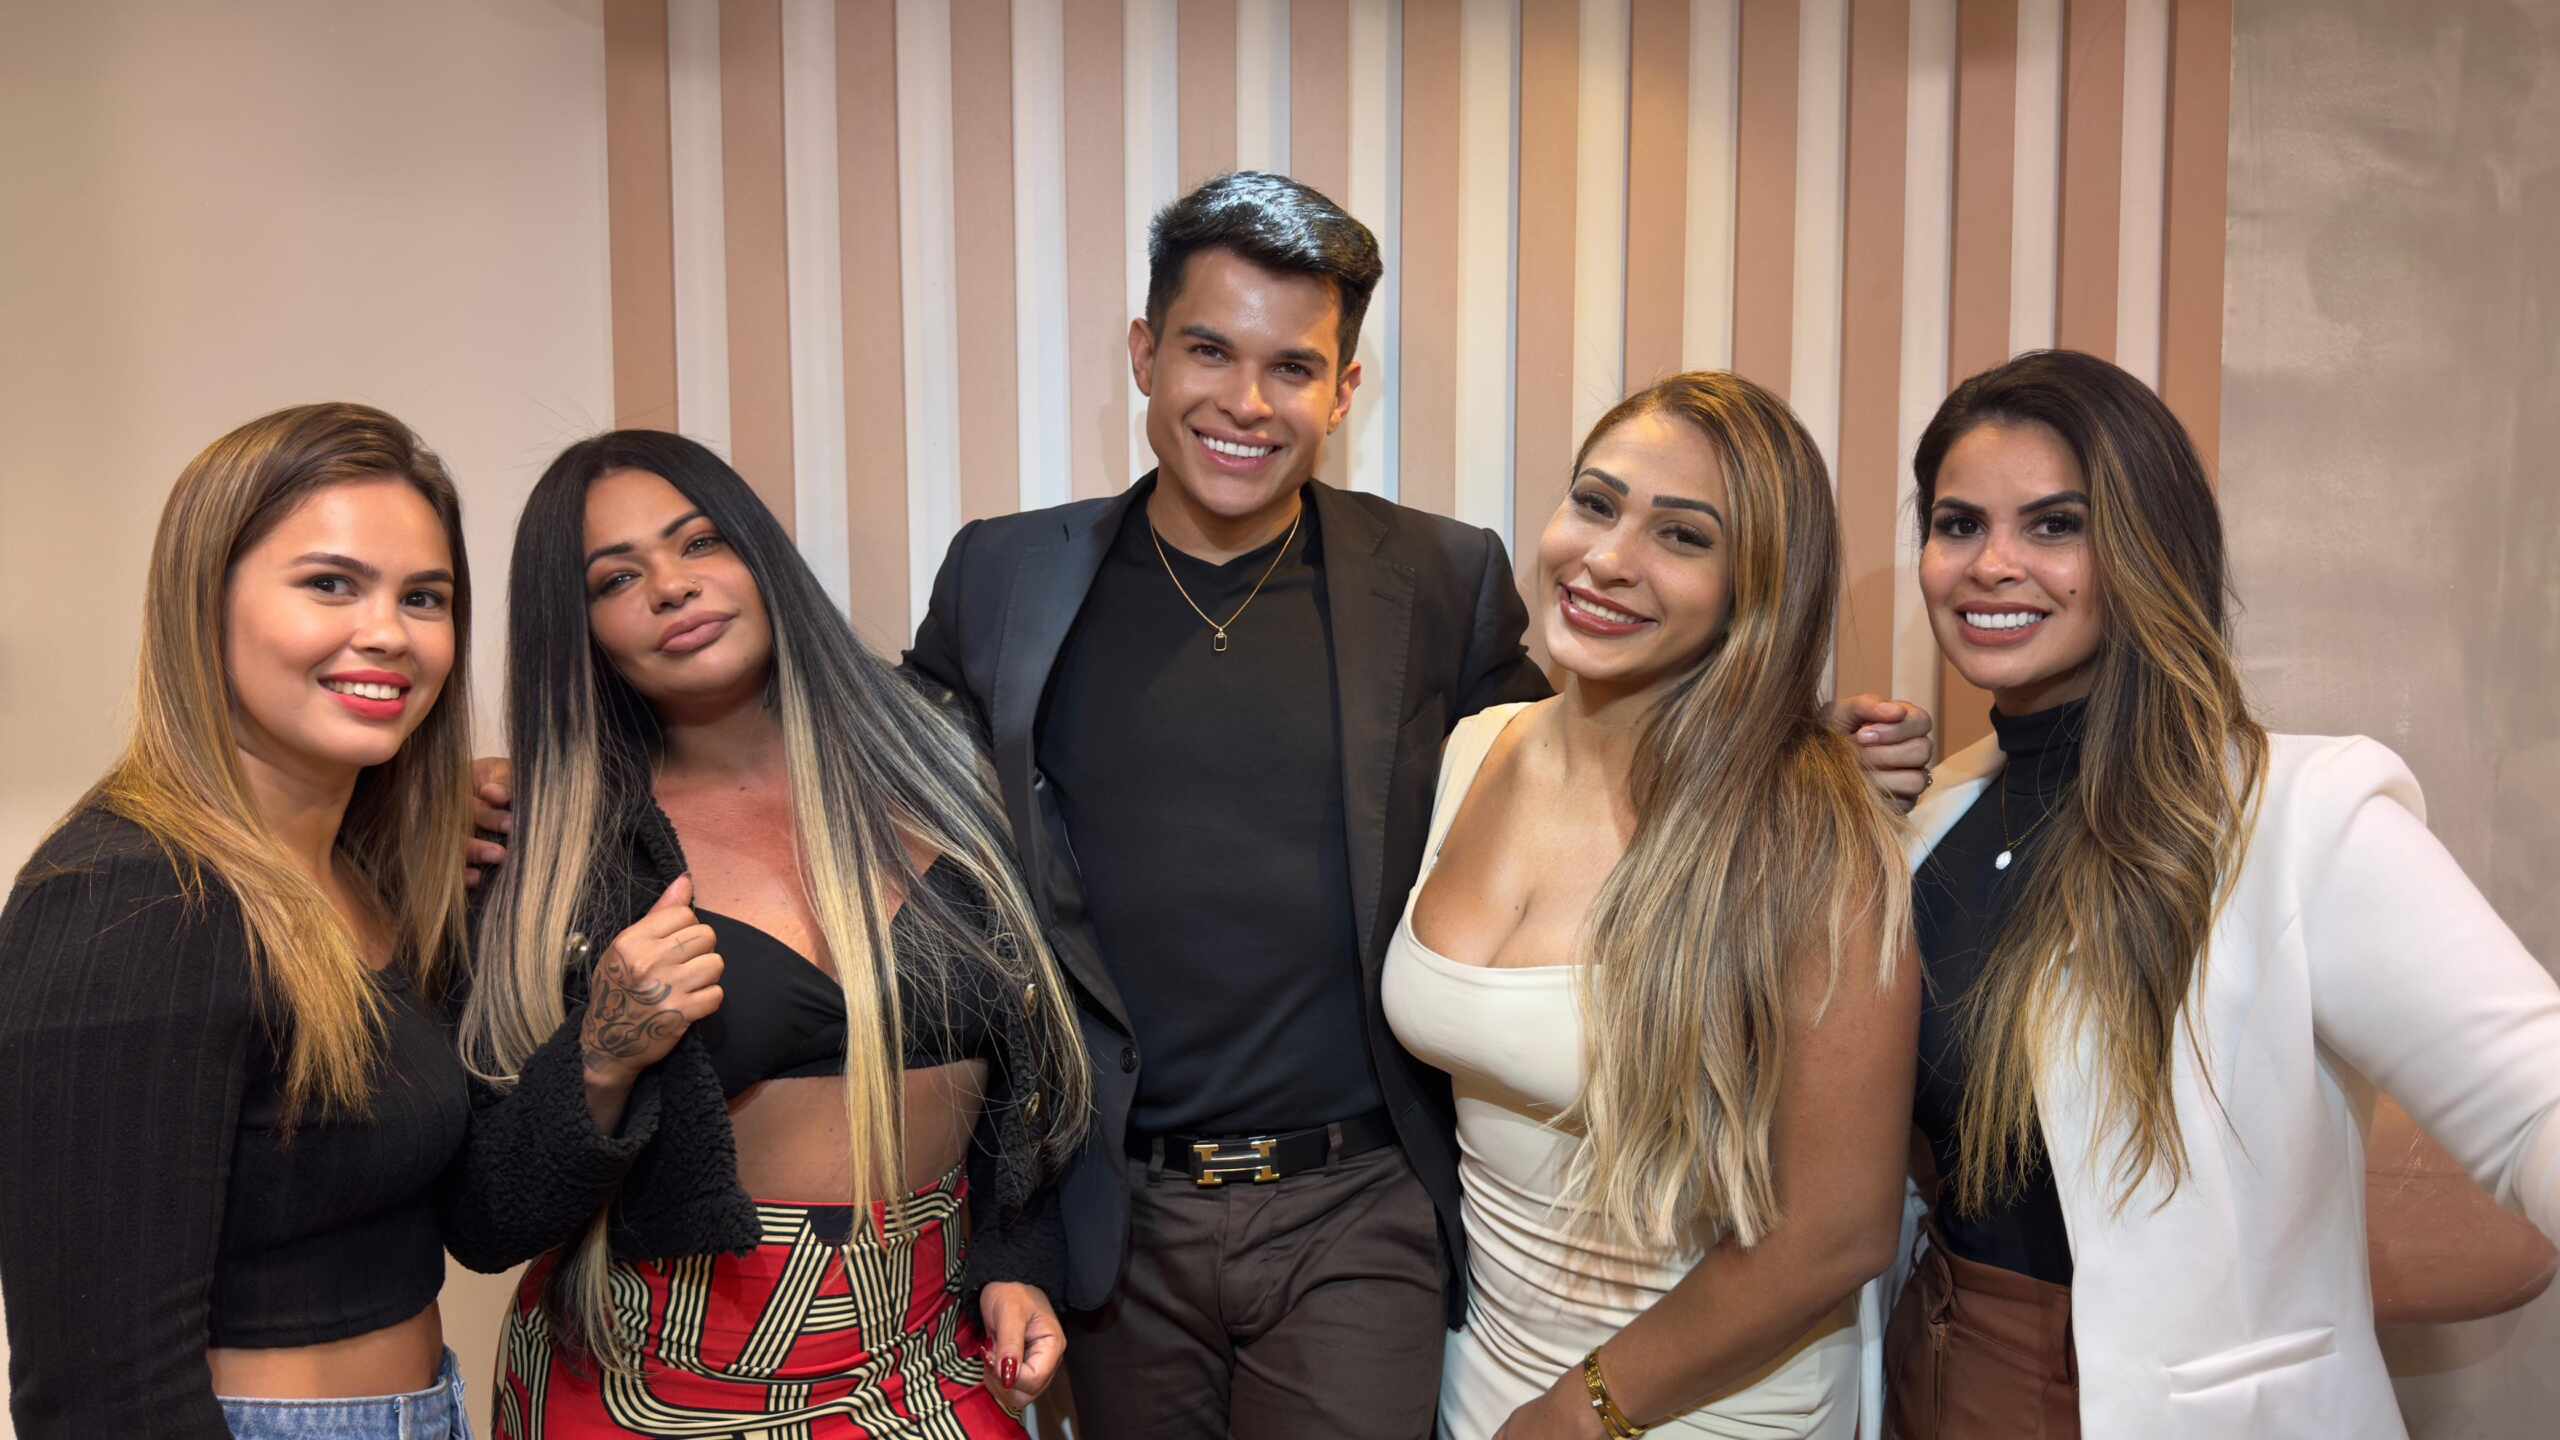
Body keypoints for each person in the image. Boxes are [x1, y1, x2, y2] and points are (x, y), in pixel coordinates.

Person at [897, 171, 1935, 1438]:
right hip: (1118, 1208)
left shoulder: (1439, 581)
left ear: (1342, 391)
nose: (1245, 401)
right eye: (1208, 351)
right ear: (1143, 354)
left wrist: (1799, 744)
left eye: (1293, 367)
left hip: (1359, 1208)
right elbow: (900, 818)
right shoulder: (1006, 577)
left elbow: (1613, 755)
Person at [1883, 348, 2560, 1439]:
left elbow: (2536, 1105)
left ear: (2149, 546)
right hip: (1935, 1382)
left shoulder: (2302, 817)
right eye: (1959, 524)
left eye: (2056, 525)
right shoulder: (1935, 820)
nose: (1992, 564)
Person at [445, 432, 1091, 1439]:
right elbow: (487, 1219)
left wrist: (1015, 1263)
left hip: (923, 1362)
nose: (672, 586)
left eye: (700, 541)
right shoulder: (544, 857)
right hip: (650, 1383)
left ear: (759, 554)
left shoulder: (940, 771)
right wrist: (603, 1052)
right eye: (618, 577)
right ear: (580, 630)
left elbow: (1027, 1086)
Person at [1383, 373, 1919, 1439]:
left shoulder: (1812, 836)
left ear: (1752, 590)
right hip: (1478, 1379)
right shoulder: (1473, 749)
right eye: (1596, 503)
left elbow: (1838, 1230)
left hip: (1698, 1407)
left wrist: (1584, 1409)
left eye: (1682, 536)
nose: (1608, 559)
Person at [0, 404, 478, 1437]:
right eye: (331, 584)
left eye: (424, 596)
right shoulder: (129, 900)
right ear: (203, 603)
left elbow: (474, 1207)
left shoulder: (362, 878)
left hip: (425, 1405)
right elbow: (101, 1394)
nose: (388, 633)